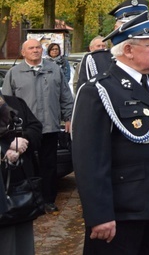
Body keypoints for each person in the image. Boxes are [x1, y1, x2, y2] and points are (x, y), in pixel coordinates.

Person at [71, 11, 149, 254]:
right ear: (128, 50)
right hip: (124, 212)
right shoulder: (99, 90)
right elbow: (90, 160)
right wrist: (99, 214)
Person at [2, 38, 73, 214]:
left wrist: (69, 117)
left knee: (49, 165)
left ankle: (48, 200)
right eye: (31, 48)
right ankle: (28, 199)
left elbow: (65, 96)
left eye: (38, 48)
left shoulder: (54, 69)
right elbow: (5, 102)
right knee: (26, 165)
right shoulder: (14, 73)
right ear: (23, 52)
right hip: (23, 130)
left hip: (49, 126)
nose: (35, 50)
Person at [0, 94, 42, 255]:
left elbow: (36, 129)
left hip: (22, 192)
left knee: (23, 245)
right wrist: (6, 148)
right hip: (3, 194)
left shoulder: (14, 102)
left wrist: (22, 139)